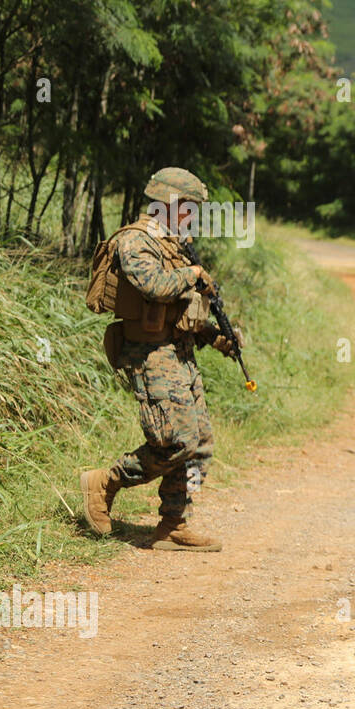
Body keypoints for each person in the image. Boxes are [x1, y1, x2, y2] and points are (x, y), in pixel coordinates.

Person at [81, 167, 239, 552]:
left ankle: (172, 525)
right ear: (170, 203)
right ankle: (106, 480)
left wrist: (219, 338)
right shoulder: (136, 240)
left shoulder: (175, 244)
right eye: (189, 207)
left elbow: (185, 307)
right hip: (151, 355)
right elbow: (154, 286)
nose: (193, 216)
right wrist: (193, 273)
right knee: (175, 441)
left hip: (179, 353)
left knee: (199, 443)